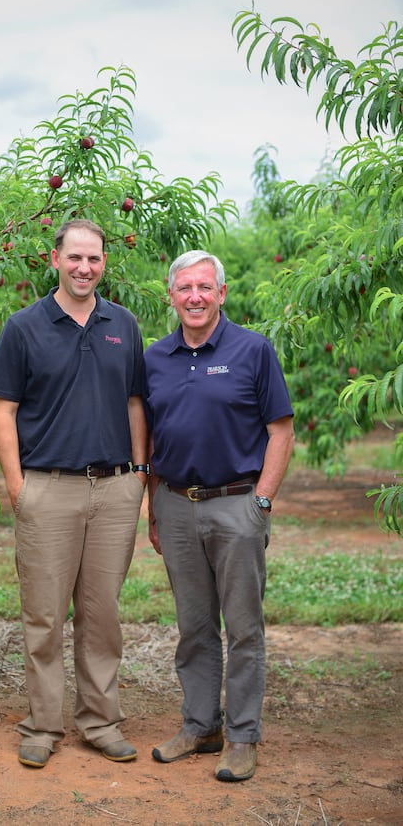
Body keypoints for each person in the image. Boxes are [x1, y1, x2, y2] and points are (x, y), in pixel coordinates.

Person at [0, 218, 148, 769]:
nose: (84, 268)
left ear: (105, 263)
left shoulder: (123, 324)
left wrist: (141, 474)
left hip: (115, 490)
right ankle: (43, 723)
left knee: (102, 615)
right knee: (45, 616)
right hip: (48, 489)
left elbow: (134, 404)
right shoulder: (24, 326)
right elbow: (3, 411)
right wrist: (17, 486)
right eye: (75, 257)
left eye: (94, 259)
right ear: (54, 258)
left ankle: (100, 722)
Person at [144, 250, 294, 782]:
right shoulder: (154, 357)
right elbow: (151, 434)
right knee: (194, 625)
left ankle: (243, 736)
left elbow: (281, 430)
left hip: (236, 504)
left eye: (204, 287)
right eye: (184, 288)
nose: (195, 297)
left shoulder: (253, 350)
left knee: (244, 628)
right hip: (176, 503)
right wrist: (153, 506)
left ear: (221, 293)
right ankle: (200, 725)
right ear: (171, 296)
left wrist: (263, 500)